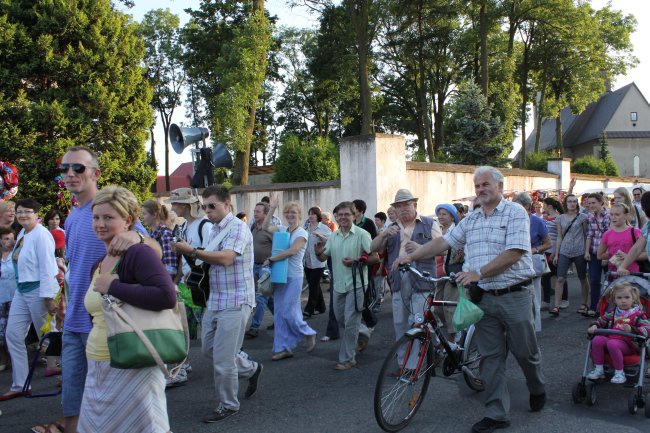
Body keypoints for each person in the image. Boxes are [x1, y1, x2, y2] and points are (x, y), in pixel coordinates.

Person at [392, 166, 545, 433]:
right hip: (483, 297)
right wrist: (411, 256)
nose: (481, 190)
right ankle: (497, 413)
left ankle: (536, 386)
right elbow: (444, 243)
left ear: (499, 186)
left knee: (525, 352)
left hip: (515, 294)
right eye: (477, 186)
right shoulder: (471, 219)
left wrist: (478, 272)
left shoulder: (515, 212)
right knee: (490, 357)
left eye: (486, 184)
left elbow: (516, 252)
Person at [57, 146, 161, 433]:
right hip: (74, 319)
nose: (69, 174)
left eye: (78, 168)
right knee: (73, 399)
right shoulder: (74, 216)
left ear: (95, 173)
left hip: (105, 323)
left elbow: (155, 250)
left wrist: (135, 235)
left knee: (112, 404)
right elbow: (76, 267)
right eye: (64, 168)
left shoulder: (109, 209)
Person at [76, 186, 176, 433]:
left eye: (108, 217)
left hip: (132, 361)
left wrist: (115, 286)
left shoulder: (138, 253)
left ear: (128, 220)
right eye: (96, 217)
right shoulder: (100, 263)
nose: (100, 224)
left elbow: (166, 296)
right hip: (99, 363)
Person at [172, 185, 262, 423]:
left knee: (222, 359)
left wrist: (191, 250)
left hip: (237, 300)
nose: (208, 211)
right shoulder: (213, 231)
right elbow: (207, 259)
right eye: (205, 206)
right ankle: (251, 369)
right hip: (216, 299)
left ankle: (229, 405)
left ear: (227, 205)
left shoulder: (239, 228)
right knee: (208, 349)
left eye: (213, 206)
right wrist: (192, 254)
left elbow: (225, 258)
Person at [370, 189, 442, 355]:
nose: (402, 209)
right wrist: (383, 236)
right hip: (398, 280)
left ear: (415, 205)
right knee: (400, 324)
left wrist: (421, 248)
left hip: (422, 279)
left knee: (418, 322)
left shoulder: (429, 223)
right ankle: (405, 365)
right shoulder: (391, 228)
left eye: (406, 204)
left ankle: (430, 351)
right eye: (399, 206)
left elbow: (443, 249)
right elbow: (373, 248)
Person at [0, 199, 59, 401]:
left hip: (38, 291)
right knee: (13, 335)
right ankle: (20, 384)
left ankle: (72, 376)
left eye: (27, 212)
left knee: (51, 335)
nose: (23, 215)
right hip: (22, 290)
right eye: (20, 212)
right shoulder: (23, 234)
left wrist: (48, 297)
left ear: (36, 214)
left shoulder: (42, 235)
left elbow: (48, 268)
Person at [314, 201, 378, 371]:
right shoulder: (333, 236)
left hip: (356, 284)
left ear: (354, 215)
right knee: (342, 318)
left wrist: (357, 261)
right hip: (338, 285)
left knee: (350, 321)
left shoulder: (362, 234)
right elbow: (322, 257)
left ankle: (348, 359)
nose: (343, 217)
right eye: (340, 215)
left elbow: (375, 257)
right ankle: (363, 333)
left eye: (347, 214)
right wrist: (318, 251)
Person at [164, 187, 212, 386]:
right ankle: (182, 366)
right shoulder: (185, 226)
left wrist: (194, 263)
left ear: (185, 205)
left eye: (175, 203)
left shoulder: (204, 226)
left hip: (203, 286)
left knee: (210, 333)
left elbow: (210, 254)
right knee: (182, 329)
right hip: (188, 285)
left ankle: (241, 363)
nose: (172, 207)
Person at [262, 194, 317, 360]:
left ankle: (307, 332)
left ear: (299, 215)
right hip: (280, 275)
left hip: (294, 277)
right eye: (288, 212)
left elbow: (292, 251)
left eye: (294, 212)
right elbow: (265, 227)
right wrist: (272, 208)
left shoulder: (302, 233)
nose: (290, 215)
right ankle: (283, 348)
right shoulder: (282, 229)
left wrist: (271, 259)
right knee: (279, 313)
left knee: (289, 311)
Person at [586, 281, 650, 384]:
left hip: (629, 344)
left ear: (633, 298)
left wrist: (632, 329)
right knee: (597, 340)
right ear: (615, 300)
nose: (623, 301)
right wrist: (595, 325)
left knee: (612, 343)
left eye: (626, 297)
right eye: (619, 298)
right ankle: (599, 369)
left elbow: (648, 329)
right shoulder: (613, 312)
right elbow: (601, 320)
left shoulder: (638, 314)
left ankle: (620, 373)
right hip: (612, 339)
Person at [513, 193, 551, 330]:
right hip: (514, 263)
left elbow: (548, 243)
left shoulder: (537, 221)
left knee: (534, 296)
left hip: (532, 262)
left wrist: (534, 249)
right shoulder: (512, 220)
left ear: (527, 207)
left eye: (518, 206)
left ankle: (535, 329)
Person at [553, 194, 590, 316]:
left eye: (574, 201)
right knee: (560, 278)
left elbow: (586, 235)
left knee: (582, 277)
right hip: (565, 250)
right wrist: (557, 254)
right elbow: (559, 236)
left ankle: (584, 303)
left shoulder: (583, 217)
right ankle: (556, 306)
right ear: (566, 203)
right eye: (570, 201)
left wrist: (586, 251)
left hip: (579, 250)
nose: (572, 203)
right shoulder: (560, 218)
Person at [246, 201, 274, 339]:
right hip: (253, 266)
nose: (255, 213)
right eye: (255, 211)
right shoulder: (252, 227)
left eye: (258, 211)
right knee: (268, 299)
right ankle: (281, 320)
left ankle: (254, 327)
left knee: (261, 297)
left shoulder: (270, 230)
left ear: (266, 214)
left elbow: (280, 247)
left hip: (266, 267)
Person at [434, 203, 461, 341]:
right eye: (439, 214)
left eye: (444, 214)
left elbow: (451, 250)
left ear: (452, 216)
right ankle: (455, 329)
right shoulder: (437, 230)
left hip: (453, 274)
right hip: (439, 274)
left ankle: (453, 339)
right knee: (437, 308)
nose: (441, 216)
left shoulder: (456, 231)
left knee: (450, 307)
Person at [585, 192, 611, 317]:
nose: (591, 205)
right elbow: (589, 234)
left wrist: (606, 254)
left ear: (601, 203)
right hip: (594, 253)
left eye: (593, 203)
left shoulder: (608, 216)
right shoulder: (590, 216)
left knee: (609, 280)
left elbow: (609, 237)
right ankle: (594, 307)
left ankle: (608, 309)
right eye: (589, 203)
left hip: (606, 254)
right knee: (594, 280)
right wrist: (586, 251)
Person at [303, 206, 331, 318]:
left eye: (313, 214)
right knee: (313, 284)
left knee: (313, 286)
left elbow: (331, 241)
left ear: (317, 216)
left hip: (318, 261)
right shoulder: (306, 228)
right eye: (309, 213)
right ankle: (321, 306)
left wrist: (320, 236)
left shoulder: (324, 228)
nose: (311, 216)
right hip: (307, 261)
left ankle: (309, 309)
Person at [597, 203, 641, 276]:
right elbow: (599, 255)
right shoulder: (607, 234)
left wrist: (628, 256)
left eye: (617, 215)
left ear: (626, 216)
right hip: (613, 274)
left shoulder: (635, 232)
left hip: (632, 274)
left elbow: (646, 254)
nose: (613, 217)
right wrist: (612, 255)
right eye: (611, 214)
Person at [541, 197, 568, 310]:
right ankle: (546, 300)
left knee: (560, 276)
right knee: (545, 277)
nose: (543, 207)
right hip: (545, 252)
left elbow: (560, 236)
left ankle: (564, 299)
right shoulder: (543, 218)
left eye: (544, 205)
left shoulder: (559, 218)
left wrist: (555, 253)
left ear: (550, 206)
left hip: (556, 251)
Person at [142, 200, 178, 279]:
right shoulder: (150, 235)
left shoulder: (166, 234)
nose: (142, 217)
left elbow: (171, 269)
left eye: (144, 214)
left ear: (154, 215)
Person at [0, 227, 16, 371]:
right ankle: (4, 359)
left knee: (13, 331)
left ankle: (15, 359)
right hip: (1, 298)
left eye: (11, 238)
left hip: (15, 298)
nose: (9, 242)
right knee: (1, 331)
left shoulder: (16, 255)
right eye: (5, 239)